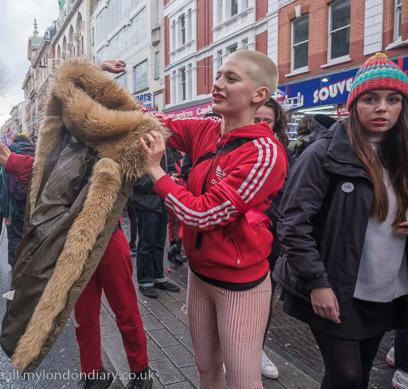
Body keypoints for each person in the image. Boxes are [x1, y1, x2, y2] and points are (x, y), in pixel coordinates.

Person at [124, 50, 288, 388]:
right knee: (206, 370)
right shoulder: (207, 130)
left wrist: (155, 169)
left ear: (259, 94)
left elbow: (200, 213)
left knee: (243, 382)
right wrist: (101, 85)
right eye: (218, 76)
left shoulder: (265, 153)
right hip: (199, 276)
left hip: (239, 286)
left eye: (231, 78)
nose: (217, 84)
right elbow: (152, 122)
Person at [273, 53, 408, 389]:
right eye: (370, 99)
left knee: (361, 371)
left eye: (393, 99)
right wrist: (317, 284)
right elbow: (292, 223)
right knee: (346, 375)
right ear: (354, 105)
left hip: (386, 288)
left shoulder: (403, 155)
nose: (382, 107)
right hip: (336, 287)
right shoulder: (324, 153)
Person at [0, 133, 153, 389]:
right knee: (84, 316)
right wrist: (12, 162)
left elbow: (66, 173)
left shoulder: (106, 135)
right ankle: (93, 374)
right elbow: (50, 175)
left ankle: (140, 372)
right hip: (74, 246)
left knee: (125, 311)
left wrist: (13, 161)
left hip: (108, 240)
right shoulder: (63, 135)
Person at [253, 97, 295, 380]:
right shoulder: (230, 146)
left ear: (276, 123)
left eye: (266, 121)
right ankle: (225, 349)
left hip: (272, 232)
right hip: (237, 235)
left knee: (264, 293)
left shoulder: (285, 154)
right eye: (255, 119)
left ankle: (257, 349)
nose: (260, 125)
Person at [129, 148, 181, 298]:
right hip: (147, 203)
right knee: (146, 244)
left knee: (159, 242)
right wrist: (162, 182)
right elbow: (136, 179)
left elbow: (171, 167)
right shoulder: (139, 148)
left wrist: (172, 177)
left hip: (162, 201)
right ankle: (145, 281)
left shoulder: (164, 148)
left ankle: (158, 277)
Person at [1, 135, 36, 267]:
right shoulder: (36, 152)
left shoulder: (9, 154)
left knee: (16, 236)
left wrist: (6, 214)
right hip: (33, 201)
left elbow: (5, 187)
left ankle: (17, 266)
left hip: (16, 204)